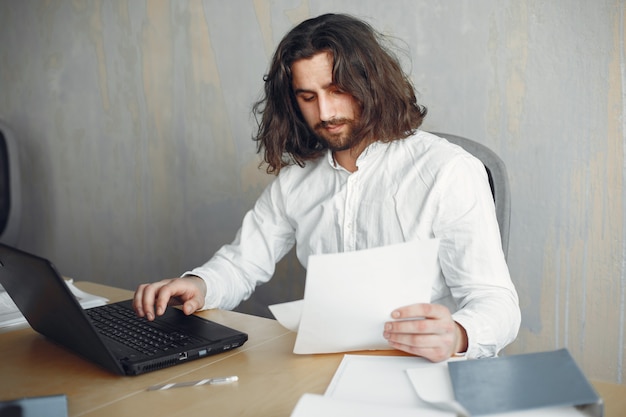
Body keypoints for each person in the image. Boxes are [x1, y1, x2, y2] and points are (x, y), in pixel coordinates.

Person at [133, 13, 520, 362]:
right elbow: (242, 262)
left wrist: (458, 334)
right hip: (331, 367)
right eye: (308, 97)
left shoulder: (448, 171)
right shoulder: (297, 181)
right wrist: (199, 284)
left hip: (426, 371)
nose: (326, 113)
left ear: (370, 84)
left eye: (338, 90)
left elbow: (496, 304)